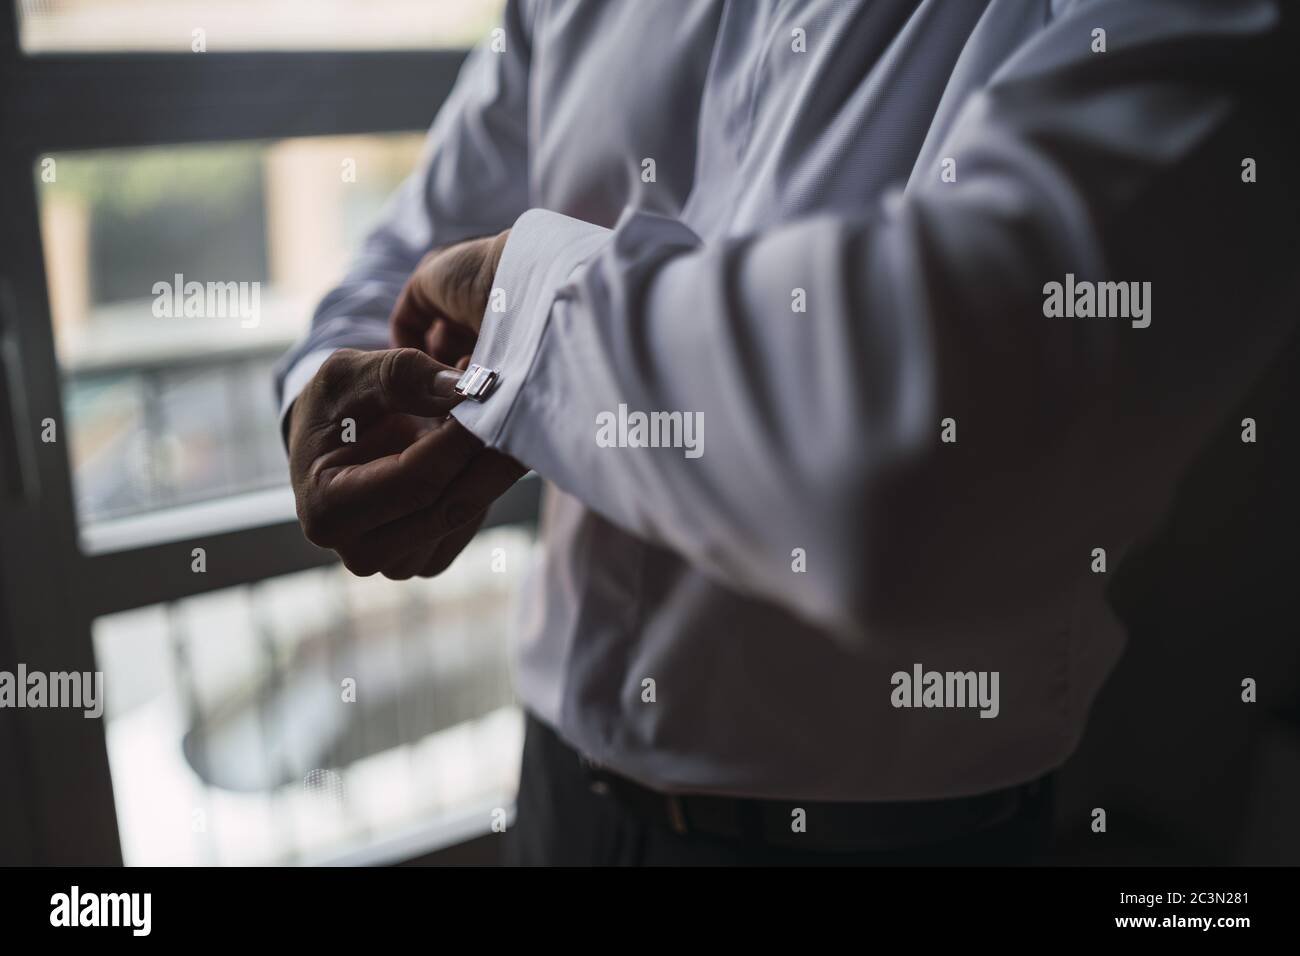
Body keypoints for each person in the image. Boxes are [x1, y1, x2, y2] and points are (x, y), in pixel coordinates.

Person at [275, 0, 1298, 865]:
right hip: (557, 792)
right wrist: (325, 398)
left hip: (900, 834)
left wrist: (537, 311)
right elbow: (399, 257)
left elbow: (922, 453)